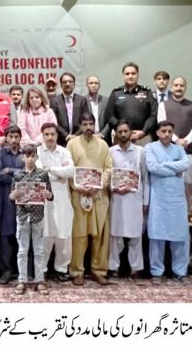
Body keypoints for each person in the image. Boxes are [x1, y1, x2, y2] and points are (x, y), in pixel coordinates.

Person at [67, 112, 114, 286]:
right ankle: (77, 271)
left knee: (100, 235)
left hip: (99, 195)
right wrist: (77, 186)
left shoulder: (103, 144)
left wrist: (99, 185)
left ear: (95, 125)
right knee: (79, 235)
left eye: (91, 124)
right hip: (78, 194)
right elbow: (68, 169)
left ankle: (99, 270)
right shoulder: (72, 144)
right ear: (80, 126)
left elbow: (109, 168)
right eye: (85, 124)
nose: (88, 127)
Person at [145, 121, 192, 284]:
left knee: (180, 235)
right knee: (157, 235)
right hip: (158, 198)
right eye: (163, 131)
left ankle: (180, 271)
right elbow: (152, 167)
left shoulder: (178, 149)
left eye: (170, 131)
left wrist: (164, 165)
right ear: (157, 133)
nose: (167, 134)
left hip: (177, 199)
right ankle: (156, 272)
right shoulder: (150, 148)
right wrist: (174, 170)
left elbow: (186, 164)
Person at [107, 121, 149, 282]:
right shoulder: (110, 151)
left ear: (131, 133)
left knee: (135, 236)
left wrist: (145, 201)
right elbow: (108, 175)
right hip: (116, 198)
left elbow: (145, 178)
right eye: (120, 132)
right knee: (115, 236)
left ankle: (136, 269)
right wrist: (113, 188)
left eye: (126, 131)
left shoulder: (140, 152)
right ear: (116, 134)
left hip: (134, 199)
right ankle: (113, 268)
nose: (123, 134)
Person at [157, 77, 192, 219]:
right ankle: (173, 215)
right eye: (176, 85)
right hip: (170, 152)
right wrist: (176, 140)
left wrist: (186, 140)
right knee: (172, 186)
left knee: (191, 186)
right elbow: (162, 124)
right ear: (172, 87)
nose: (178, 88)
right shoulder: (164, 105)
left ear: (185, 87)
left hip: (190, 152)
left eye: (181, 85)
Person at [10, 145, 53, 295]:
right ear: (22, 157)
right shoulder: (18, 175)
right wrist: (13, 195)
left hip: (37, 216)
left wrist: (48, 194)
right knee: (22, 250)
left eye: (32, 156)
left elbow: (51, 195)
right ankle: (22, 280)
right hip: (22, 216)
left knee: (39, 250)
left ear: (36, 157)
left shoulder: (42, 175)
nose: (30, 159)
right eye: (27, 156)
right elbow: (11, 195)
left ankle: (40, 280)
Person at [36, 123, 75, 282]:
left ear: (57, 135)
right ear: (42, 136)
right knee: (45, 235)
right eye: (46, 134)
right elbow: (39, 174)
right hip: (44, 199)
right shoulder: (38, 152)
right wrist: (60, 172)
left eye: (52, 134)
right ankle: (42, 269)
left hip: (62, 198)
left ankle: (61, 269)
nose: (50, 137)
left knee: (63, 235)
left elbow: (71, 171)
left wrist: (50, 169)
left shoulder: (64, 152)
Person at [0, 125, 23, 284]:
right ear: (6, 138)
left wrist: (9, 170)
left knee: (22, 234)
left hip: (24, 199)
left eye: (16, 137)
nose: (13, 140)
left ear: (20, 138)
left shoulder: (25, 153)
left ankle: (22, 271)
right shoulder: (0, 153)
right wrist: (17, 176)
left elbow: (30, 174)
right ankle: (5, 271)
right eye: (10, 137)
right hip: (5, 199)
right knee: (5, 234)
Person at [103, 62, 157, 145]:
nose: (130, 76)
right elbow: (109, 115)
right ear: (123, 76)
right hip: (121, 137)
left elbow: (153, 115)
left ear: (138, 75)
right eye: (127, 74)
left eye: (133, 73)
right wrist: (122, 130)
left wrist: (144, 131)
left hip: (143, 137)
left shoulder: (147, 92)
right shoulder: (116, 93)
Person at [50, 73, 89, 147]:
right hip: (61, 141)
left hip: (80, 139)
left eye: (70, 82)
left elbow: (86, 120)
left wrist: (75, 136)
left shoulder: (82, 100)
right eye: (64, 82)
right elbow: (54, 122)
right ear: (61, 85)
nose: (67, 84)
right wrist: (66, 136)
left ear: (74, 84)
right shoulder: (54, 101)